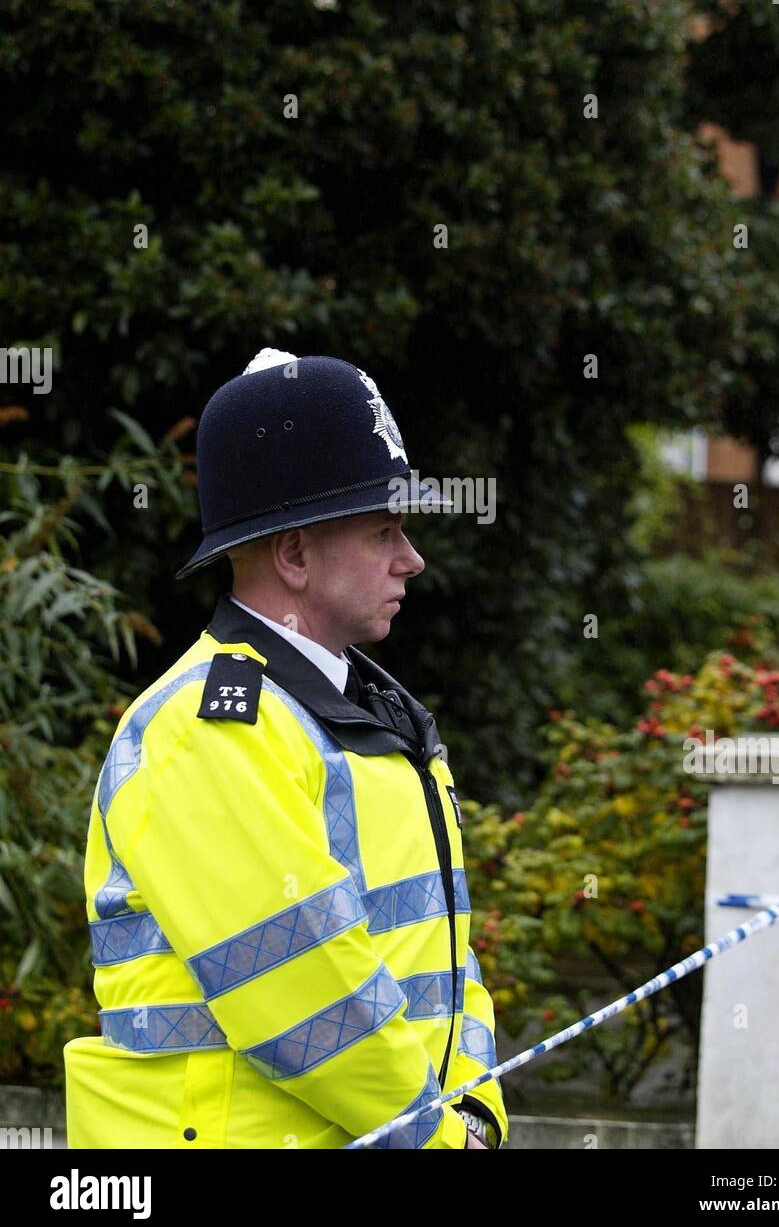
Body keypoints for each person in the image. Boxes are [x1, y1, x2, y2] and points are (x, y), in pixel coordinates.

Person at [63, 349, 508, 1150]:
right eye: (383, 530)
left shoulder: (366, 714)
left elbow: (444, 955)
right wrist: (446, 1140)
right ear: (295, 555)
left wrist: (476, 1112)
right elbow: (303, 991)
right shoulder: (206, 730)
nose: (413, 557)